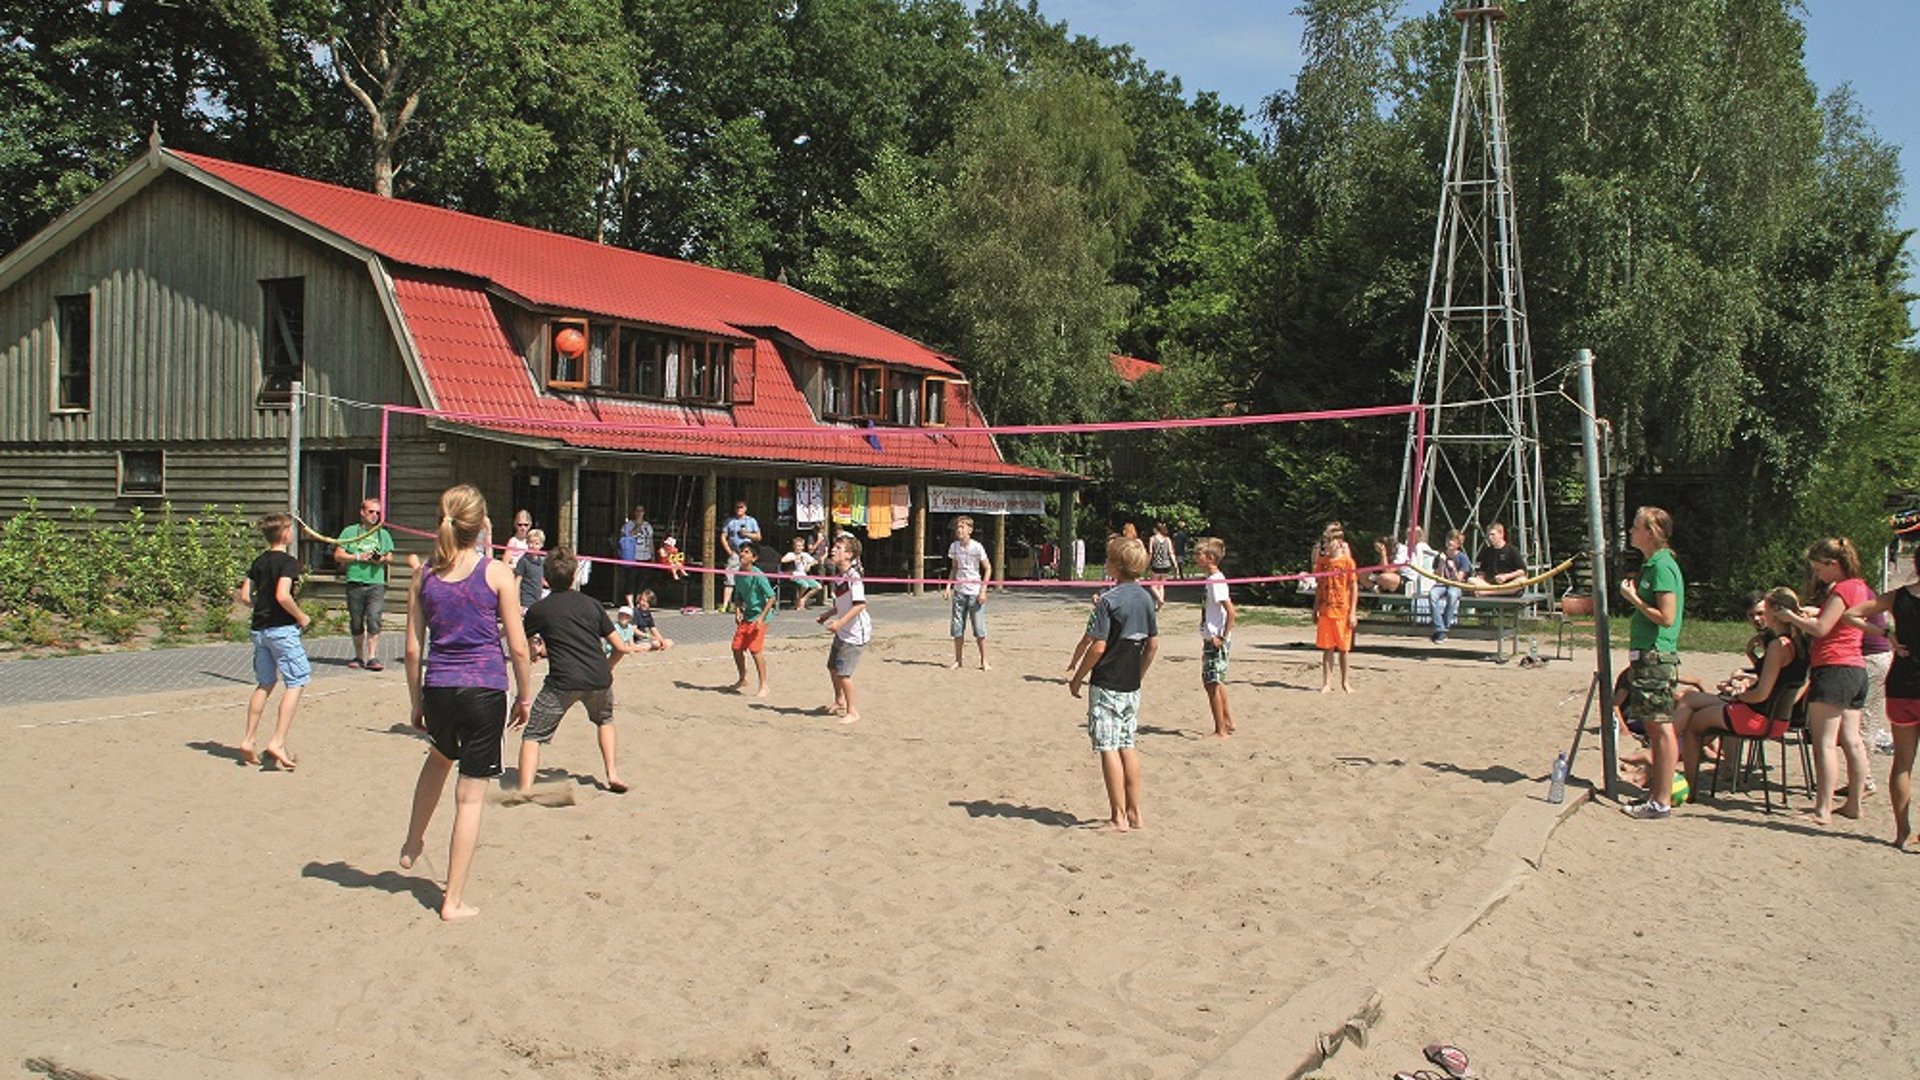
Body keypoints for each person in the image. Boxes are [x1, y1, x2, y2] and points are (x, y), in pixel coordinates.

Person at [399, 484, 534, 921]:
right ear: (480, 526)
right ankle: (452, 900)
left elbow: (413, 650)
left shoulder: (424, 576)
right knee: (470, 799)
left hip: (439, 687)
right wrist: (526, 696)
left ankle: (412, 841)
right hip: (483, 690)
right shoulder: (496, 574)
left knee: (438, 758)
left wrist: (416, 701)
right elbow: (518, 647)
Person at [517, 548, 644, 797]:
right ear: (575, 575)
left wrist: (534, 652)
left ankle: (524, 789)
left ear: (545, 578)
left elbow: (523, 645)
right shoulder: (593, 605)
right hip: (598, 678)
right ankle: (612, 774)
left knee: (533, 735)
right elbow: (620, 647)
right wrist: (606, 668)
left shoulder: (539, 610)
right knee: (604, 720)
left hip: (563, 681)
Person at [1674, 587, 1808, 798]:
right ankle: (1663, 757)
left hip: (1757, 717)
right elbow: (1776, 680)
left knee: (1693, 723)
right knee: (1689, 700)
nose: (1759, 617)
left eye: (1765, 610)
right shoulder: (1798, 642)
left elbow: (1762, 694)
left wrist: (1737, 695)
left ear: (1775, 613)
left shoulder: (1777, 645)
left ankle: (1681, 779)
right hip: (1775, 717)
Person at [1779, 537, 1876, 824]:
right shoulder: (1861, 586)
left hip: (1833, 667)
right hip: (1856, 668)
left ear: (1833, 564)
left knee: (1824, 742)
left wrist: (1791, 617)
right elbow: (1838, 622)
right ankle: (1854, 804)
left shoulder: (1841, 589)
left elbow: (1821, 629)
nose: (1817, 575)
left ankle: (1822, 808)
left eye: (1819, 569)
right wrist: (1814, 612)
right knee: (1852, 740)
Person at [1068, 535, 1158, 833]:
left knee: (1108, 748)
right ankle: (1135, 814)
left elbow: (1097, 647)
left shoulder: (1110, 600)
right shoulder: (1147, 598)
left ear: (1116, 566)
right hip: (1131, 686)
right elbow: (1153, 645)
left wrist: (1078, 677)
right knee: (1128, 745)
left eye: (1107, 558)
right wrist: (1139, 674)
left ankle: (1118, 817)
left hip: (1107, 683)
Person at [1843, 546, 1920, 846]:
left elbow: (1852, 615)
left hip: (1903, 683)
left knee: (1902, 763)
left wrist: (1886, 633)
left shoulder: (1898, 597)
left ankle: (1902, 830)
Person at [1619, 506, 1685, 820]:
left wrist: (1634, 600)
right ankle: (1657, 793)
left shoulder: (1662, 566)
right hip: (1647, 656)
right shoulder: (1652, 564)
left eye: (1636, 526)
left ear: (1651, 532)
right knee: (1653, 727)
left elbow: (1667, 616)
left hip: (1657, 656)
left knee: (1661, 729)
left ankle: (1661, 800)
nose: (1631, 530)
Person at [236, 512, 310, 770]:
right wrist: (301, 616)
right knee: (297, 681)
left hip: (260, 630)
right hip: (282, 630)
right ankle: (277, 741)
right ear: (285, 534)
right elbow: (282, 595)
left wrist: (261, 605)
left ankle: (248, 739)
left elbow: (245, 596)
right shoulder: (289, 562)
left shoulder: (258, 562)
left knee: (265, 683)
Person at [333, 497, 394, 671]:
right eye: (371, 512)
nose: (374, 515)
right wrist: (358, 557)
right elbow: (338, 555)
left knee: (374, 617)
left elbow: (390, 556)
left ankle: (373, 656)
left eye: (377, 512)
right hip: (355, 581)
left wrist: (380, 559)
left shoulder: (383, 534)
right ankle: (359, 656)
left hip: (376, 582)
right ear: (362, 512)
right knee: (356, 620)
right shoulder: (350, 532)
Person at [817, 534, 870, 723]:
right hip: (843, 630)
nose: (833, 549)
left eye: (838, 547)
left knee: (844, 673)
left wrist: (839, 623)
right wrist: (828, 614)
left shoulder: (854, 577)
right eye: (834, 546)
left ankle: (853, 711)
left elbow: (859, 605)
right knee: (832, 667)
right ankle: (839, 700)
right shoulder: (839, 576)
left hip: (855, 633)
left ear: (849, 554)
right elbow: (843, 603)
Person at [1195, 537, 1235, 739]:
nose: (1195, 557)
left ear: (1210, 558)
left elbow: (1231, 611)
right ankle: (1227, 721)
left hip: (1215, 638)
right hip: (1211, 636)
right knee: (1215, 681)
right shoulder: (1212, 579)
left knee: (1211, 683)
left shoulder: (1216, 580)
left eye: (1198, 554)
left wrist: (1222, 636)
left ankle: (1221, 729)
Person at [1313, 522, 1358, 693]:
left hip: (1342, 611)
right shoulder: (1322, 562)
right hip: (1326, 611)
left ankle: (1345, 682)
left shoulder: (1347, 562)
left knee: (1344, 649)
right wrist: (1315, 608)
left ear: (1338, 542)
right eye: (1324, 542)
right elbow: (1319, 587)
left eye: (1329, 542)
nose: (1326, 546)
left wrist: (1353, 612)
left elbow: (1353, 588)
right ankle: (1327, 682)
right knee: (1327, 648)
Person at [946, 515, 993, 670]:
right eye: (958, 527)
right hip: (959, 591)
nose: (959, 530)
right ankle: (958, 660)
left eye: (962, 527)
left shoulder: (977, 547)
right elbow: (954, 568)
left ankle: (984, 661)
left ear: (970, 530)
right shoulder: (954, 547)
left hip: (975, 592)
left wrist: (983, 591)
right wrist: (948, 587)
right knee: (957, 628)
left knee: (979, 629)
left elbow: (988, 568)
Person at [730, 543, 776, 697]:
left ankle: (764, 685)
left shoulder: (758, 576)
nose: (742, 554)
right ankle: (743, 678)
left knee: (755, 650)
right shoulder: (739, 574)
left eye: (746, 552)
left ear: (754, 558)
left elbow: (771, 597)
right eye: (741, 551)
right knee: (736, 648)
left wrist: (761, 617)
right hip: (748, 615)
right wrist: (737, 611)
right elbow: (738, 596)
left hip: (760, 616)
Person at [1429, 529, 1472, 642]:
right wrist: (1442, 563)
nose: (1450, 542)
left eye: (1453, 540)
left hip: (1456, 585)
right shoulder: (1440, 556)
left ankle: (1444, 628)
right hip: (1442, 584)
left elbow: (1459, 579)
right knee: (1432, 595)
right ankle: (1440, 629)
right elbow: (1437, 576)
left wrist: (1453, 568)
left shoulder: (1462, 558)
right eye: (1448, 539)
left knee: (1452, 595)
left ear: (1458, 544)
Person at [719, 500, 762, 611]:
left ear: (745, 508)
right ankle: (725, 605)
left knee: (748, 578)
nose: (739, 509)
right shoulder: (730, 521)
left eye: (741, 507)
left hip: (748, 554)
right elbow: (723, 536)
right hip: (735, 553)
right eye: (737, 507)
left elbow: (758, 537)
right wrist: (728, 550)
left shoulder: (751, 521)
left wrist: (747, 534)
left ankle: (747, 604)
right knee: (729, 578)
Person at [1468, 521, 1527, 593]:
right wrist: (1480, 576)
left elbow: (1522, 571)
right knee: (1471, 580)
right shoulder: (1488, 551)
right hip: (1491, 584)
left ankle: (1489, 592)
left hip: (1509, 584)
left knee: (1522, 580)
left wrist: (1506, 576)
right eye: (1489, 535)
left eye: (1493, 535)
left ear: (1501, 534)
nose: (1490, 538)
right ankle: (1493, 591)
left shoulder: (1512, 550)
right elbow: (1482, 570)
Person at [618, 504, 654, 608]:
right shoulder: (628, 525)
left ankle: (639, 601)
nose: (639, 513)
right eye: (637, 511)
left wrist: (652, 554)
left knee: (642, 580)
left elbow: (650, 540)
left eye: (641, 511)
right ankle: (630, 603)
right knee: (630, 580)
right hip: (632, 556)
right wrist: (638, 524)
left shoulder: (648, 526)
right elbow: (628, 536)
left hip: (645, 556)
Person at [782, 535, 823, 610]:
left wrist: (809, 564)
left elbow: (815, 561)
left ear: (803, 547)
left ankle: (803, 599)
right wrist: (793, 558)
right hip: (794, 574)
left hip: (804, 575)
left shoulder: (805, 555)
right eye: (797, 546)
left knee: (818, 587)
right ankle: (797, 601)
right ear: (794, 546)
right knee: (805, 585)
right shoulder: (791, 554)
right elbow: (783, 560)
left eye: (800, 546)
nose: (798, 548)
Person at [513, 528, 547, 613]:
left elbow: (541, 580)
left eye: (536, 543)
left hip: (537, 600)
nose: (533, 546)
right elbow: (517, 582)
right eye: (530, 542)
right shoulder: (523, 561)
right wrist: (517, 603)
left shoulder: (541, 562)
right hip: (526, 601)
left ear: (541, 545)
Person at [1146, 522, 1177, 609]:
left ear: (1156, 529)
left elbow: (1150, 553)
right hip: (1167, 565)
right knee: (1161, 585)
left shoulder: (1152, 539)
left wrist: (1147, 563)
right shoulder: (1167, 539)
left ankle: (1160, 599)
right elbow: (1171, 553)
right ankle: (1159, 604)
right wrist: (1175, 565)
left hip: (1156, 564)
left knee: (1153, 585)